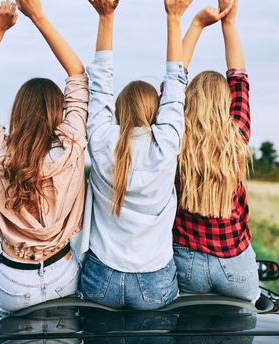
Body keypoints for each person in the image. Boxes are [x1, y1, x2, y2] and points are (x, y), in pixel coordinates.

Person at [0, 0, 89, 313]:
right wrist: (38, 16)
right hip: (63, 276)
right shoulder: (70, 147)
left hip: (13, 281)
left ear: (18, 112)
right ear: (59, 112)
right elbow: (78, 75)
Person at [77, 0, 191, 310]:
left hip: (102, 277)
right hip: (154, 279)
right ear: (156, 113)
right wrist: (175, 17)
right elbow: (176, 87)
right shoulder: (166, 143)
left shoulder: (101, 140)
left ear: (117, 110)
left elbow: (100, 83)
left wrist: (106, 17)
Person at [172, 0, 261, 305]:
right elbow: (239, 77)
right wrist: (229, 24)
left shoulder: (176, 138)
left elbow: (174, 81)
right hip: (234, 260)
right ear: (226, 103)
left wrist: (196, 25)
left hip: (186, 262)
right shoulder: (237, 135)